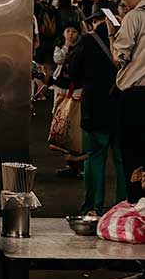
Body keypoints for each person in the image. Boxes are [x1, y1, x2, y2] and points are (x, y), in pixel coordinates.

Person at [67, 12, 127, 215]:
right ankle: (123, 207)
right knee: (122, 161)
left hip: (95, 109)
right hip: (123, 107)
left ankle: (93, 206)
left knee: (94, 158)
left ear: (96, 21)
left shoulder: (88, 40)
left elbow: (73, 73)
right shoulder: (128, 37)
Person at [110, 0, 145, 202]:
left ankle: (137, 209)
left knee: (133, 157)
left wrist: (113, 34)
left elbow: (118, 58)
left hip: (136, 99)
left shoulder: (135, 16)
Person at [51, 25, 84, 178]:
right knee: (61, 124)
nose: (71, 34)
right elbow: (57, 59)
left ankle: (78, 165)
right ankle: (70, 165)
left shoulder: (82, 47)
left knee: (74, 126)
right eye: (68, 31)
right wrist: (65, 47)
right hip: (61, 89)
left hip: (76, 89)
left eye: (74, 31)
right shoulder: (60, 46)